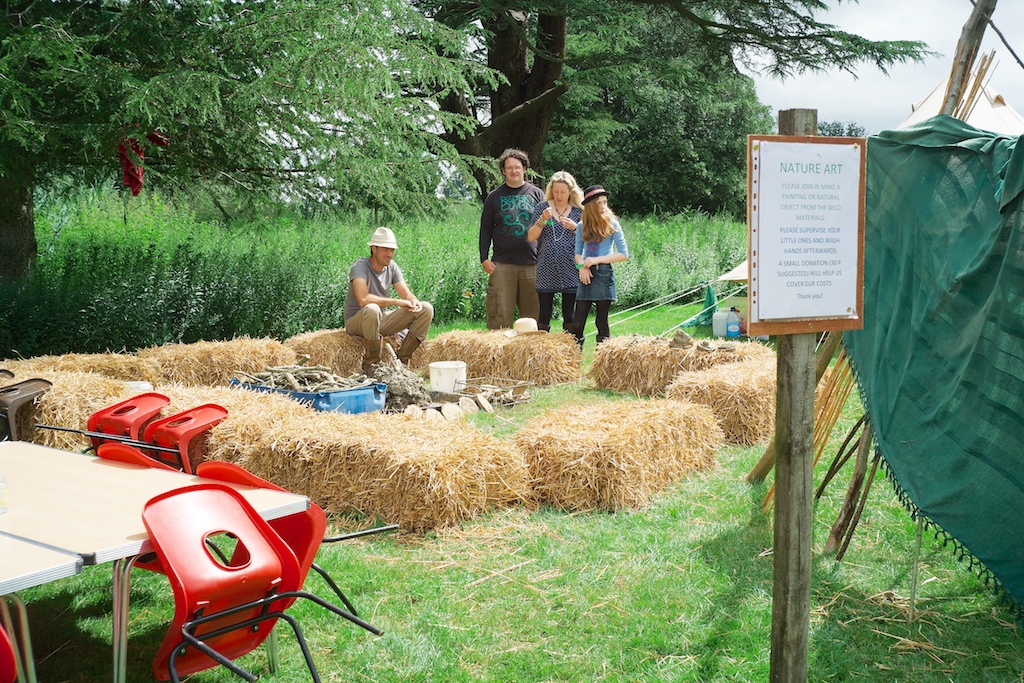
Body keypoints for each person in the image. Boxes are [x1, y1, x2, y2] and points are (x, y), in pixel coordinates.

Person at [345, 227, 434, 372]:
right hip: (358, 322)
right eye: (386, 249)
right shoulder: (360, 267)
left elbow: (406, 293)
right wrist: (397, 302)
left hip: (379, 321)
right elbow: (363, 299)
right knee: (372, 309)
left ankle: (402, 362)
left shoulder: (392, 267)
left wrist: (413, 301)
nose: (390, 254)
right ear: (374, 248)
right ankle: (372, 366)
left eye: (392, 250)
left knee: (426, 309)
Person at [479, 148, 545, 329]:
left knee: (532, 320)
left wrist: (544, 259)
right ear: (503, 171)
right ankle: (498, 356)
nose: (513, 171)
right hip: (502, 264)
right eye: (509, 168)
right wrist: (484, 258)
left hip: (532, 264)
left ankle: (531, 355)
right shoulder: (494, 197)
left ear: (524, 169)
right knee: (499, 316)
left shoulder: (537, 194)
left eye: (517, 167)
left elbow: (546, 228)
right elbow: (485, 230)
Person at [572, 185, 629, 348]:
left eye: (605, 202)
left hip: (603, 274)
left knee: (601, 322)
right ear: (590, 206)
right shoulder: (582, 225)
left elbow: (624, 254)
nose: (603, 206)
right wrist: (582, 266)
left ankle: (602, 364)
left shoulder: (613, 224)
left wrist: (595, 261)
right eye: (599, 203)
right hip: (586, 275)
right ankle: (573, 364)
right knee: (577, 325)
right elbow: (577, 253)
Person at [527, 171, 584, 333]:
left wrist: (575, 227)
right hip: (546, 267)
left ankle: (572, 348)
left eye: (563, 192)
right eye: (556, 191)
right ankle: (543, 348)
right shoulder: (542, 208)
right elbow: (531, 237)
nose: (559, 195)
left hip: (572, 267)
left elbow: (588, 239)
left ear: (570, 192)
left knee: (570, 313)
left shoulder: (578, 211)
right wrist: (542, 220)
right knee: (544, 312)